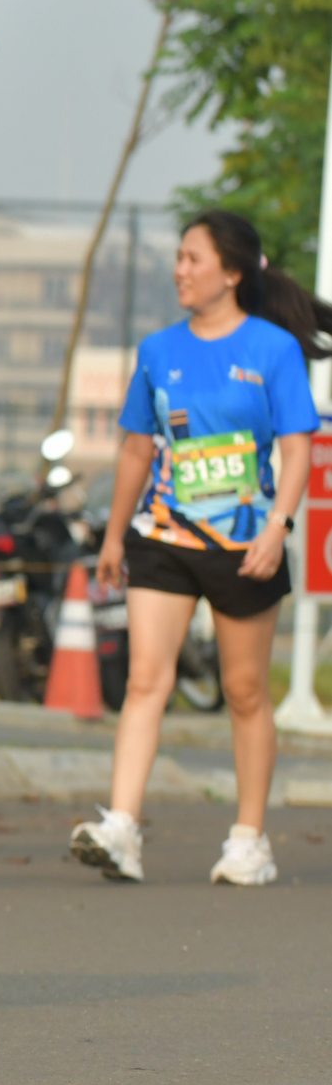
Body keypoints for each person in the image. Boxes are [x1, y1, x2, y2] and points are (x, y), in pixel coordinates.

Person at [78, 210, 326, 886]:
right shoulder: (158, 350)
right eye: (179, 257)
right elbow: (137, 448)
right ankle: (121, 828)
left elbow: (297, 448)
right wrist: (114, 534)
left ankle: (249, 841)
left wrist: (277, 528)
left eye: (193, 258)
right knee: (144, 681)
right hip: (163, 537)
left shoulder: (273, 350)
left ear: (232, 272)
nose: (179, 270)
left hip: (246, 546)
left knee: (243, 691)